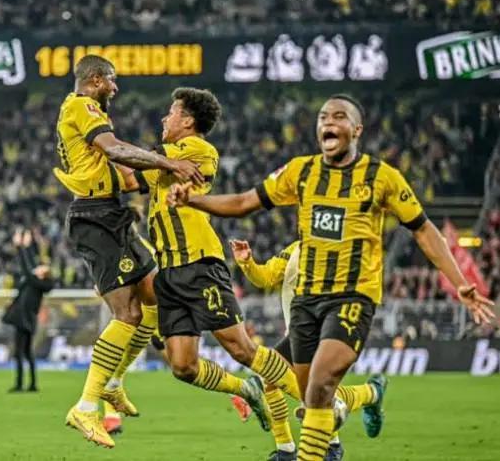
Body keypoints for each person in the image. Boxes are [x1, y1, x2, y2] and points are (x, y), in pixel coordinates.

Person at [169, 94, 495, 461]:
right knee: (313, 400)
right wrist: (192, 200)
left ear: (356, 130)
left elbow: (423, 229)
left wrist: (459, 282)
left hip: (352, 297)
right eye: (323, 116)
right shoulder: (301, 172)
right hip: (306, 302)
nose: (328, 121)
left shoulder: (381, 177)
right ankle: (365, 400)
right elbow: (245, 202)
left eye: (339, 116)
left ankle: (298, 450)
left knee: (321, 382)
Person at [124, 87, 309, 432]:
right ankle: (246, 389)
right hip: (169, 271)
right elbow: (127, 177)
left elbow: (134, 159)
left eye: (171, 112)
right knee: (182, 366)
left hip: (199, 264)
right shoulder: (163, 162)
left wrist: (100, 138)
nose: (164, 118)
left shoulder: (198, 149)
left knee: (242, 349)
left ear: (188, 121)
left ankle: (323, 404)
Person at [55, 54, 204, 448]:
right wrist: (166, 161)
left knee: (156, 293)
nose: (115, 88)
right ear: (96, 79)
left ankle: (115, 381)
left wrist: (163, 178)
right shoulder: (82, 106)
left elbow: (121, 170)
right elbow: (116, 150)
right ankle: (86, 407)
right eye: (112, 80)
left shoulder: (85, 113)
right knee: (129, 313)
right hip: (95, 217)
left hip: (111, 213)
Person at [233, 239, 385, 461]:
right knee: (283, 382)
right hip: (298, 330)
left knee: (306, 387)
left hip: (323, 330)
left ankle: (319, 446)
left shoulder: (341, 248)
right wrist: (248, 263)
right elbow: (266, 277)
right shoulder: (294, 249)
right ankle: (372, 393)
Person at [3, 229, 54, 392]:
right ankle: (31, 384)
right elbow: (30, 265)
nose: (38, 268)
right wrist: (27, 245)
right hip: (25, 319)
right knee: (25, 353)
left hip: (25, 320)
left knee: (21, 353)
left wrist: (20, 247)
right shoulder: (33, 282)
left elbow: (26, 267)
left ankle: (22, 384)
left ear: (43, 275)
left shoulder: (36, 283)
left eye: (41, 268)